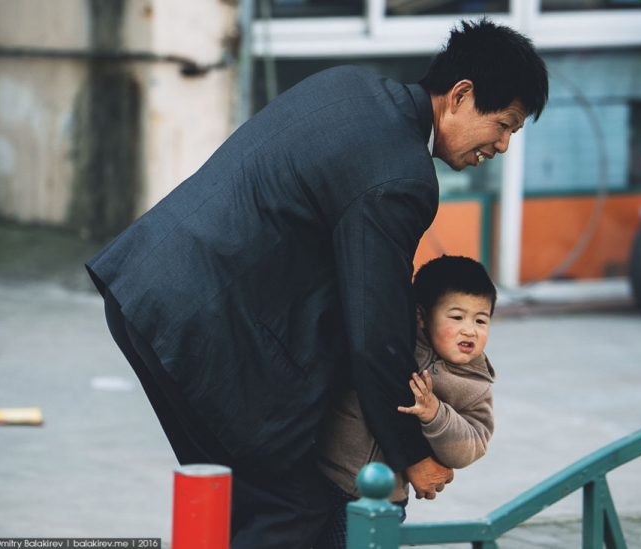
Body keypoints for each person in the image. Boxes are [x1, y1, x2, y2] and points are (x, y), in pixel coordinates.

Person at [85, 17, 548, 549]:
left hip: (147, 287)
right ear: (461, 95)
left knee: (237, 496)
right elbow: (376, 330)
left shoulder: (350, 86)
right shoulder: (402, 175)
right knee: (290, 508)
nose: (505, 145)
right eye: (505, 124)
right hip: (203, 325)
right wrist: (413, 456)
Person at [314, 255, 497, 549]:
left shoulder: (475, 384)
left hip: (385, 498)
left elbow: (472, 446)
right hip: (327, 471)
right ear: (422, 316)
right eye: (457, 317)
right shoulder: (398, 344)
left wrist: (435, 414)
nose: (470, 329)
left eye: (480, 319)